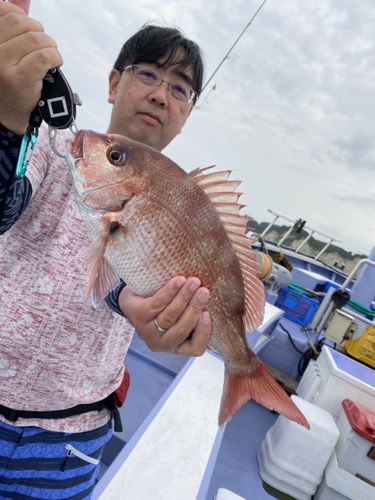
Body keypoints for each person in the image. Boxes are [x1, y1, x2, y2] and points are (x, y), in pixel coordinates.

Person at [0, 0, 212, 498]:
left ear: (186, 114)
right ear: (114, 83)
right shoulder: (51, 145)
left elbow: (126, 284)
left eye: (179, 88)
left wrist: (164, 315)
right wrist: (8, 119)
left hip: (68, 439)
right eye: (149, 74)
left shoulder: (183, 201)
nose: (161, 95)